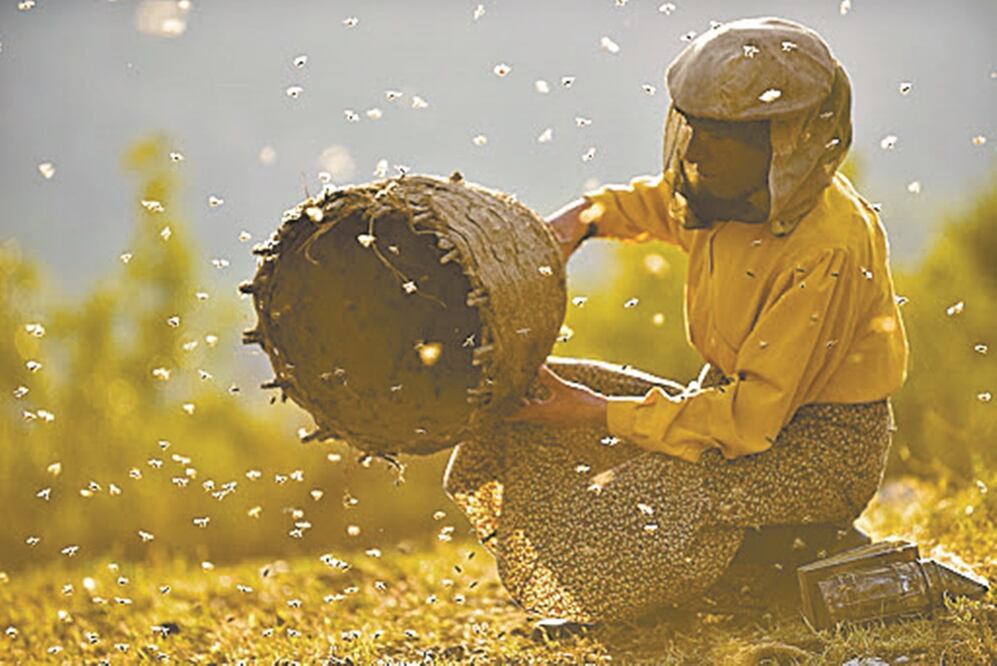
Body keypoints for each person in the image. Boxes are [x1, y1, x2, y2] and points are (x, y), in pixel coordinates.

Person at [443, 16, 909, 628]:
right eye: (699, 128)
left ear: (791, 138)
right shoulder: (728, 188)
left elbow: (749, 421)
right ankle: (751, 559)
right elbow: (660, 204)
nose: (698, 151)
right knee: (531, 398)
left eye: (725, 136)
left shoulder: (825, 248)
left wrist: (592, 411)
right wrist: (582, 220)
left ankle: (791, 553)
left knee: (644, 503)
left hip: (819, 450)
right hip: (730, 411)